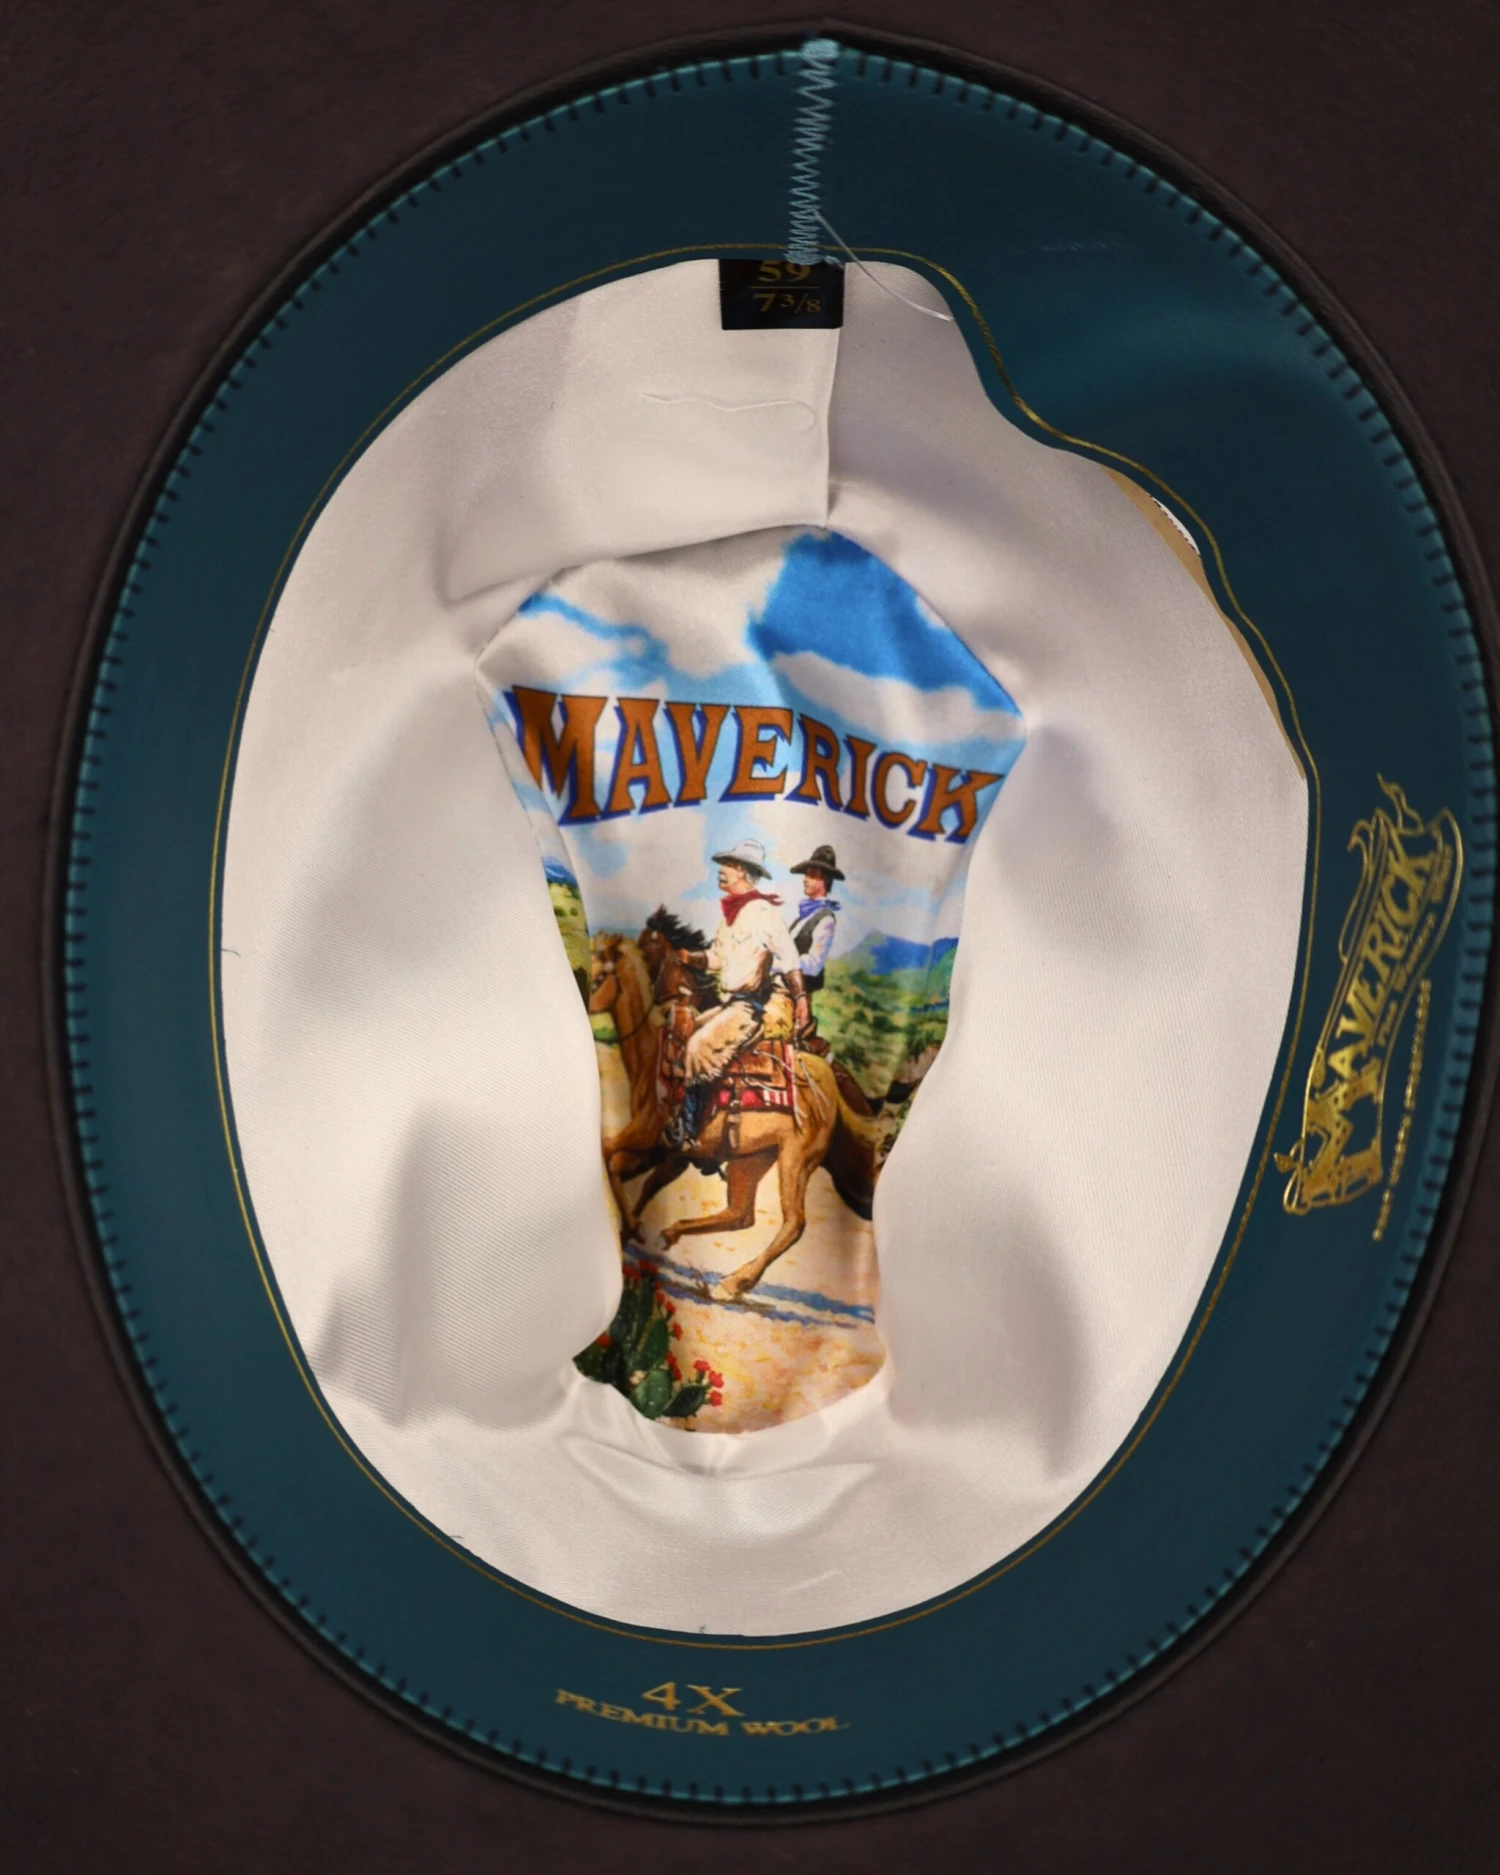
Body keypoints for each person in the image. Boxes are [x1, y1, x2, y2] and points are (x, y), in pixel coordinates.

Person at [667, 839, 810, 1146]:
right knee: (684, 1033)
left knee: (697, 1047)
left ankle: (688, 1130)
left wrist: (801, 998)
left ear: (743, 872)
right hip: (730, 1004)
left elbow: (789, 957)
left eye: (728, 866)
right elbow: (717, 958)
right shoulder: (730, 916)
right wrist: (691, 958)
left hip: (749, 1008)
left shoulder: (764, 912)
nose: (722, 871)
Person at [785, 844, 844, 1038]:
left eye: (811, 875)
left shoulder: (826, 919)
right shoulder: (801, 919)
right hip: (783, 990)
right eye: (806, 874)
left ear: (824, 879)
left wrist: (783, 961)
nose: (805, 879)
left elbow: (813, 965)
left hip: (797, 1000)